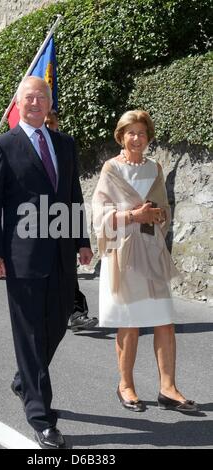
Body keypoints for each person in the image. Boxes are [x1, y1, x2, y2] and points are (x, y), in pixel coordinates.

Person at [0, 76, 93, 449]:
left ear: (48, 103)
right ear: (18, 104)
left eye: (41, 97)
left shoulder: (64, 143)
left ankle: (24, 380)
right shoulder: (2, 146)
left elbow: (73, 193)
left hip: (62, 254)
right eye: (28, 97)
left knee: (58, 323)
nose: (35, 103)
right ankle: (42, 418)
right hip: (22, 257)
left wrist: (82, 241)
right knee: (29, 334)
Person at [92, 109, 197, 413]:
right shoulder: (111, 169)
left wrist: (157, 215)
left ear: (148, 137)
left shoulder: (156, 168)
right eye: (130, 133)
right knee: (130, 323)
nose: (136, 138)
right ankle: (126, 386)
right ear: (121, 136)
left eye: (141, 133)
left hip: (151, 251)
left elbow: (164, 209)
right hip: (123, 255)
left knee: (164, 320)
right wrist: (133, 216)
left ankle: (168, 388)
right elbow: (99, 216)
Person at [45, 110, 98, 332]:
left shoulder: (65, 148)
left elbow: (74, 194)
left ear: (57, 124)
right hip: (32, 224)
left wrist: (82, 241)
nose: (47, 127)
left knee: (68, 272)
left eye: (51, 123)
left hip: (63, 221)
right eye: (44, 123)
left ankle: (77, 313)